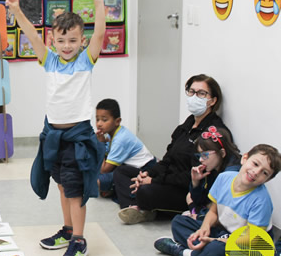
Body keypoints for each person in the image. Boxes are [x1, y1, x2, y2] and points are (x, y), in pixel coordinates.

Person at [5, 0, 105, 256]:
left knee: (75, 191)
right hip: (54, 136)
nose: (67, 46)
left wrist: (97, 1)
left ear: (82, 41)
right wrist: (16, 11)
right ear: (54, 40)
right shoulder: (48, 60)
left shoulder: (86, 60)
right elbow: (32, 35)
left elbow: (99, 32)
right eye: (61, 41)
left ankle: (80, 241)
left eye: (73, 40)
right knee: (62, 186)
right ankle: (68, 229)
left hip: (78, 137)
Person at [113, 74, 232, 224]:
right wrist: (147, 174)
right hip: (166, 180)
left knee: (145, 191)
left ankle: (141, 205)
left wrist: (154, 181)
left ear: (213, 100)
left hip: (186, 189)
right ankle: (136, 207)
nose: (194, 96)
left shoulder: (212, 132)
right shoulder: (186, 126)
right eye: (191, 91)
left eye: (201, 93)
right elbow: (167, 159)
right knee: (122, 172)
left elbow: (193, 176)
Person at [152, 144, 281, 256]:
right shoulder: (224, 178)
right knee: (179, 222)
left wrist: (213, 240)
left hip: (246, 243)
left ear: (267, 180)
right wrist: (204, 229)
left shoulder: (261, 200)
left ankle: (185, 253)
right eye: (255, 164)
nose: (256, 172)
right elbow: (214, 211)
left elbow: (248, 240)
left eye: (264, 173)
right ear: (245, 158)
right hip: (222, 230)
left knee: (221, 249)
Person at [95, 98, 156, 199]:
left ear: (117, 121)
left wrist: (100, 145)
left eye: (104, 120)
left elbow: (104, 169)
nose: (99, 124)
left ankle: (111, 188)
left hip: (145, 169)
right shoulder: (111, 133)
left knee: (98, 180)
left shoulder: (120, 139)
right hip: (127, 166)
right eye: (97, 119)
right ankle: (111, 187)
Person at [183, 126, 241, 219]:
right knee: (189, 196)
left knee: (179, 222)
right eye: (199, 155)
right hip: (213, 211)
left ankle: (197, 216)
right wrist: (196, 183)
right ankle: (197, 214)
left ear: (222, 153)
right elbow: (202, 200)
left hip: (229, 218)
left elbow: (220, 208)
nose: (201, 159)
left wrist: (201, 217)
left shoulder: (230, 174)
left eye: (205, 155)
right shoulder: (214, 168)